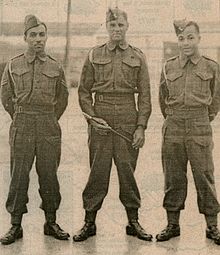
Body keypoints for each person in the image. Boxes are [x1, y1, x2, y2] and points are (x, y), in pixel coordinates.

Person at [73, 7, 152, 242]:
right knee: (98, 171)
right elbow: (84, 91)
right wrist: (92, 117)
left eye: (120, 25)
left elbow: (145, 95)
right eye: (112, 25)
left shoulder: (137, 56)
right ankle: (89, 222)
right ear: (106, 27)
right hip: (102, 117)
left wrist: (141, 127)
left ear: (127, 26)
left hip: (128, 117)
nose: (116, 29)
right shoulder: (94, 54)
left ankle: (133, 221)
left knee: (127, 172)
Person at [0, 15, 69, 245]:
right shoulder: (13, 64)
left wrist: (48, 117)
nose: (38, 39)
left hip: (48, 123)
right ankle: (15, 224)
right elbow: (6, 96)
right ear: (25, 38)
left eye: (41, 34)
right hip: (22, 122)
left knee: (49, 174)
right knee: (19, 174)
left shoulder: (55, 66)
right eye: (33, 35)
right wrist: (20, 115)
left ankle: (51, 221)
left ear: (46, 37)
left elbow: (62, 99)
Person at [157, 19, 220, 245]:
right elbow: (162, 99)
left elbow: (216, 99)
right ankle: (172, 224)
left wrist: (203, 118)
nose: (186, 43)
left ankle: (212, 226)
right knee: (173, 176)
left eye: (190, 37)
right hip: (173, 125)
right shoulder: (168, 66)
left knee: (204, 175)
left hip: (199, 125)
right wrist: (174, 117)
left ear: (199, 38)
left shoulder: (211, 67)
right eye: (181, 38)